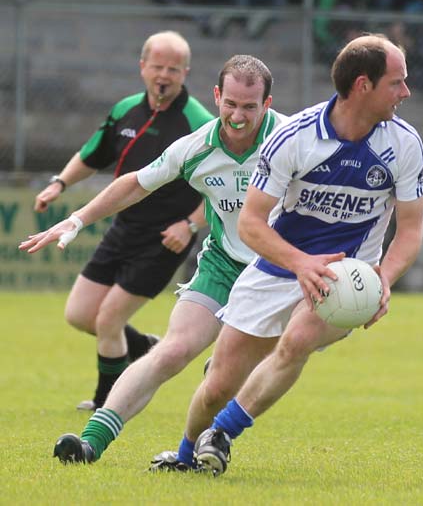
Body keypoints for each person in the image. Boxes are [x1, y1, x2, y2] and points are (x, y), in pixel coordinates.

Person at [147, 33, 423, 475]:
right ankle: (185, 457)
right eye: (397, 83)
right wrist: (300, 263)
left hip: (345, 276)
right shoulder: (295, 138)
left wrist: (383, 278)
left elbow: (410, 231)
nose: (406, 93)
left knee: (296, 341)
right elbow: (253, 223)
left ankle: (221, 433)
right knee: (218, 384)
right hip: (279, 266)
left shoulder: (405, 145)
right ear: (362, 86)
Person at [19, 55, 286, 466]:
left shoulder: (291, 140)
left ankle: (203, 445)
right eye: (230, 103)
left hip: (279, 272)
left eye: (249, 107)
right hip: (224, 265)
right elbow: (134, 184)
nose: (237, 116)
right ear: (217, 96)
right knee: (171, 351)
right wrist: (76, 219)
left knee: (227, 379)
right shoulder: (196, 147)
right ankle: (90, 444)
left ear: (267, 104)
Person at [28, 30, 213, 411]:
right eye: (158, 66)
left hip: (166, 238)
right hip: (123, 227)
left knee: (109, 318)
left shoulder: (200, 123)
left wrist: (191, 225)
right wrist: (59, 184)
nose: (164, 75)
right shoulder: (125, 109)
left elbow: (222, 186)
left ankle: (105, 403)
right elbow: (91, 155)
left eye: (174, 69)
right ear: (142, 67)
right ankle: (143, 346)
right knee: (79, 314)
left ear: (185, 72)